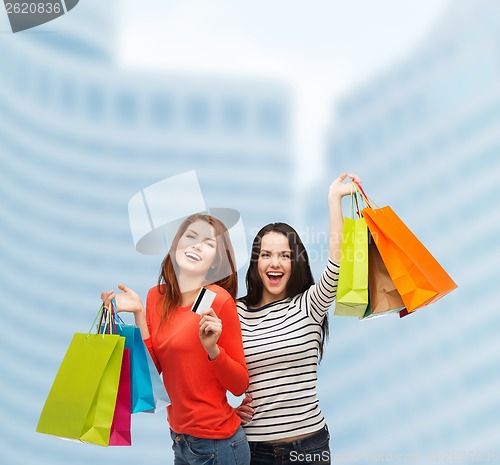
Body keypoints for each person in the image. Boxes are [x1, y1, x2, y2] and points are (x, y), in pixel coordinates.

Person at [101, 213, 250, 465]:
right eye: (190, 236)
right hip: (180, 440)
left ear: (216, 261)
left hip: (219, 444)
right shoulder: (156, 297)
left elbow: (239, 385)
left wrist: (212, 350)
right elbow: (154, 370)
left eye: (208, 243)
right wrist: (138, 313)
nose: (196, 245)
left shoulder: (218, 300)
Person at [235, 173, 361, 465]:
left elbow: (337, 264)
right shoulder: (235, 312)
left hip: (308, 448)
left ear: (295, 262)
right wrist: (229, 409)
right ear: (256, 263)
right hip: (253, 451)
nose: (275, 263)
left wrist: (334, 199)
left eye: (284, 255)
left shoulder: (309, 305)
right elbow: (210, 372)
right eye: (266, 254)